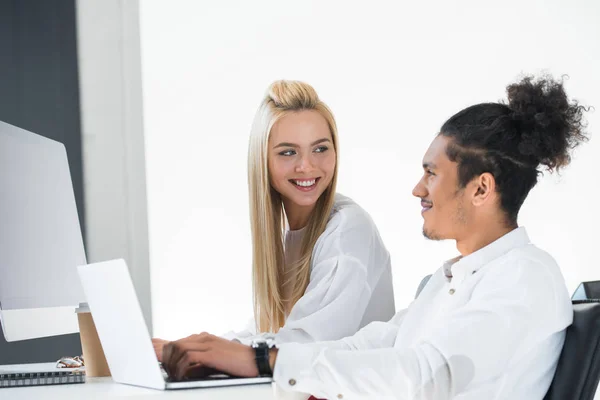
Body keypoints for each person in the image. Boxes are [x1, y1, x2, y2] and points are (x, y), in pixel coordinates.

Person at [160, 74, 589, 399]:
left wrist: (260, 360)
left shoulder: (524, 277)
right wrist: (251, 357)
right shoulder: (451, 280)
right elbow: (366, 344)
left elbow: (424, 374)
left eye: (431, 174)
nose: (418, 189)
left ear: (480, 188)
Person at [153, 80, 395, 361]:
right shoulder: (285, 236)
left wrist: (203, 351)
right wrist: (185, 347)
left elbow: (306, 345)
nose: (307, 166)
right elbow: (264, 333)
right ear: (262, 160)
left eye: (320, 149)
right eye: (288, 152)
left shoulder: (348, 229)